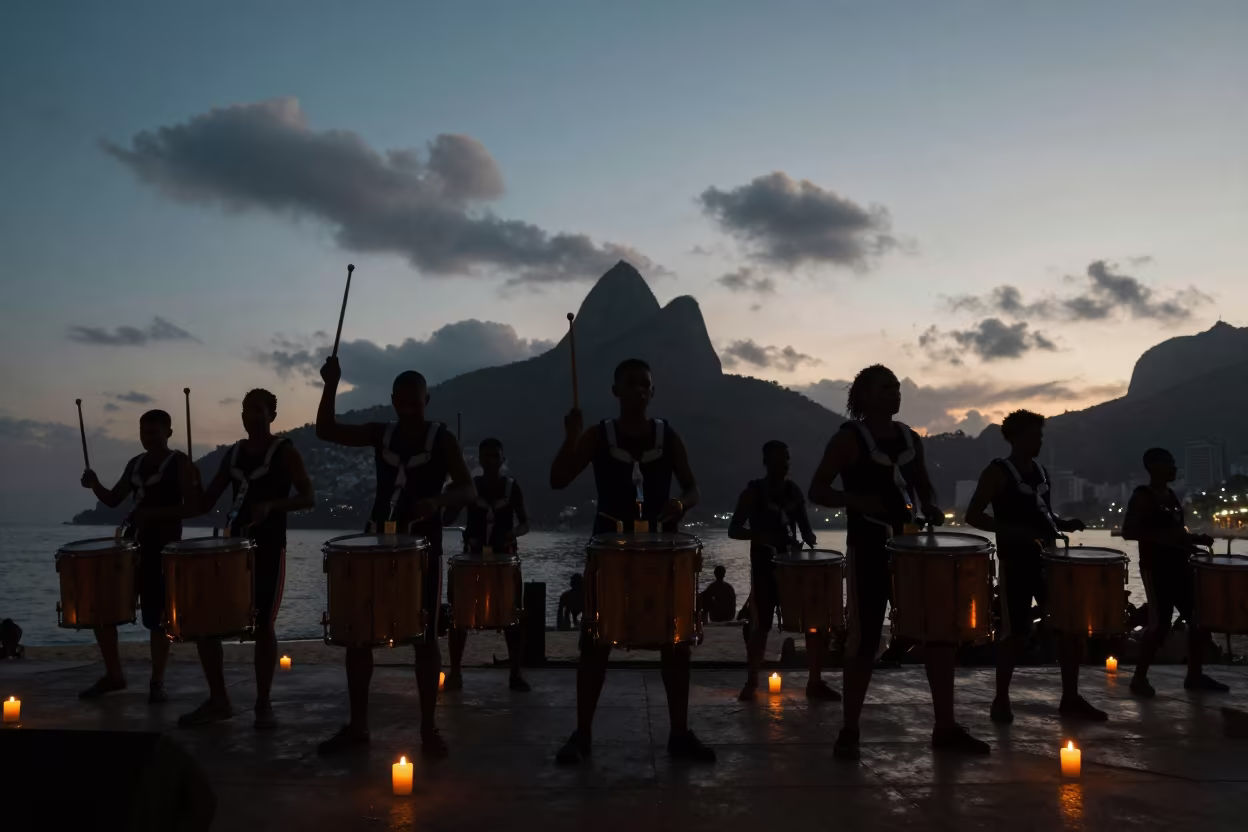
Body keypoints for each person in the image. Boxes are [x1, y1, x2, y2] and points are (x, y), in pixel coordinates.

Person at [809, 365, 989, 760]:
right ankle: (849, 730)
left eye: (897, 387)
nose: (896, 393)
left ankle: (945, 727)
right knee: (865, 639)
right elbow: (818, 488)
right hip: (868, 547)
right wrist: (855, 501)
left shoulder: (910, 438)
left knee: (938, 633)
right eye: (887, 388)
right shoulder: (848, 440)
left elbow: (922, 483)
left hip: (913, 551)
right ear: (865, 395)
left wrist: (931, 505)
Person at [550, 357, 714, 764]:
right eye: (631, 383)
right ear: (615, 390)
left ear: (653, 391)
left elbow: (693, 489)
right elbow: (559, 478)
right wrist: (570, 438)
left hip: (662, 552)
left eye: (645, 384)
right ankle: (582, 734)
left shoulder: (667, 435)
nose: (639, 389)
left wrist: (679, 502)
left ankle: (679, 733)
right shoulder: (597, 435)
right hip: (609, 550)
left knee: (675, 644)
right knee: (594, 641)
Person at [315, 358, 476, 759]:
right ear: (392, 400)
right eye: (400, 397)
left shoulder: (441, 439)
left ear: (426, 398)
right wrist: (330, 385)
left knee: (424, 638)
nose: (407, 403)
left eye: (414, 397)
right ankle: (357, 726)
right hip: (377, 543)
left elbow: (468, 490)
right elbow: (326, 430)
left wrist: (436, 501)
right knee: (358, 635)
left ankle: (427, 730)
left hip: (423, 548)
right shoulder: (380, 434)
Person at [179, 389, 315, 730]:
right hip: (231, 546)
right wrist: (192, 487)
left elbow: (307, 497)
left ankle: (263, 703)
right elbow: (206, 504)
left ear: (271, 415)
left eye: (257, 410)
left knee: (264, 626)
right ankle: (218, 699)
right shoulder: (233, 454)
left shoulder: (285, 452)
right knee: (206, 623)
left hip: (268, 546)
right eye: (245, 410)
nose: (250, 416)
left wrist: (271, 506)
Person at [964, 409, 1106, 724]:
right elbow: (972, 516)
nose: (1038, 440)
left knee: (1070, 627)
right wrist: (1010, 529)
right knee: (1014, 634)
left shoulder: (1041, 472)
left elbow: (1044, 515)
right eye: (1032, 435)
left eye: (1040, 435)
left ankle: (1070, 697)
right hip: (1016, 564)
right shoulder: (997, 472)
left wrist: (1064, 523)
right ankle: (1000, 700)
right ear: (1014, 438)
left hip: (1048, 562)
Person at [79, 409, 200, 703]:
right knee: (103, 610)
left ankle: (157, 681)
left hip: (164, 551)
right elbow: (113, 499)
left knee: (158, 620)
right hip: (132, 549)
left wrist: (156, 514)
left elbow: (196, 507)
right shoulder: (135, 464)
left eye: (154, 432)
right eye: (144, 432)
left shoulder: (181, 464)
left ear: (168, 433)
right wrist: (94, 484)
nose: (148, 438)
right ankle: (114, 674)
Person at [730, 440, 839, 702]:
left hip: (794, 568)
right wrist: (759, 535)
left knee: (812, 622)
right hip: (764, 567)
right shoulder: (753, 493)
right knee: (760, 625)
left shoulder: (794, 492)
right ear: (767, 462)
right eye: (779, 460)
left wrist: (810, 537)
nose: (784, 465)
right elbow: (734, 530)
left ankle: (815, 682)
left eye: (787, 460)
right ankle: (752, 681)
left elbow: (804, 525)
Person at [1122, 447, 1229, 696]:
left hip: (1181, 568)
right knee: (1158, 625)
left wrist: (1194, 539)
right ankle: (1139, 678)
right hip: (1156, 569)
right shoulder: (1143, 496)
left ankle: (1195, 675)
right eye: (1170, 464)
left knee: (1199, 621)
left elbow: (1176, 532)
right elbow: (1129, 532)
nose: (1174, 468)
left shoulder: (1171, 496)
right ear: (1154, 467)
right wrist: (1168, 541)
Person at [442, 437, 531, 692]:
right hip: (472, 560)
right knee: (459, 616)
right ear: (479, 460)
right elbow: (447, 519)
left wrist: (514, 532)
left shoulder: (512, 488)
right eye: (486, 456)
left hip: (505, 560)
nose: (491, 461)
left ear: (502, 459)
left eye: (495, 456)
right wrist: (450, 495)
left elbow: (526, 523)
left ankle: (515, 673)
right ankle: (455, 672)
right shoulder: (469, 487)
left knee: (513, 615)